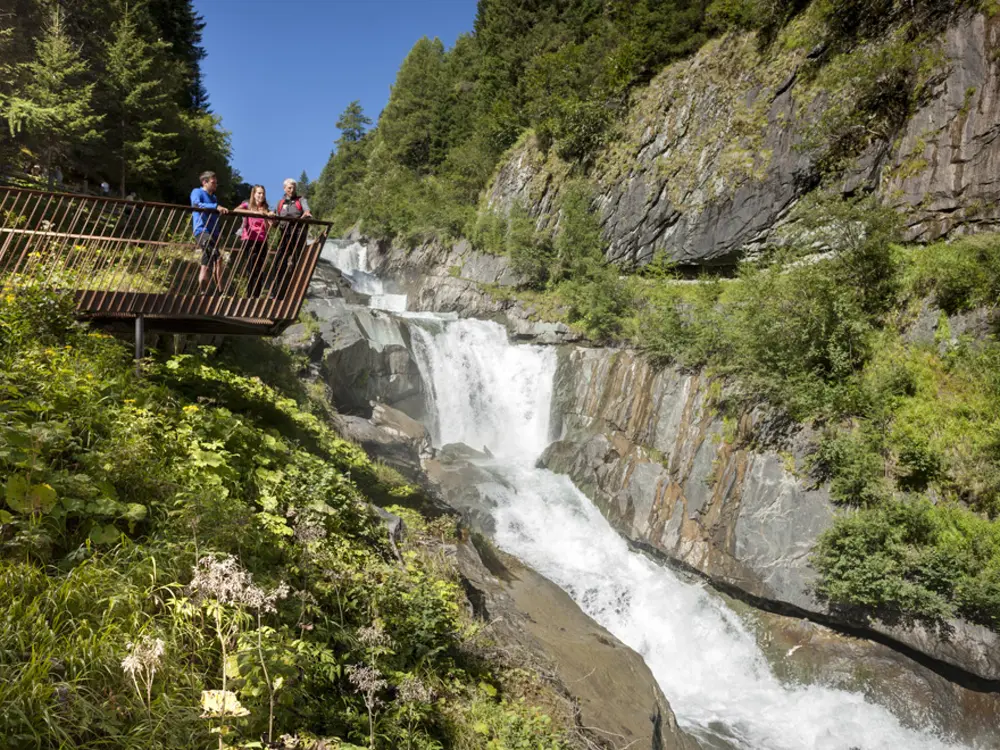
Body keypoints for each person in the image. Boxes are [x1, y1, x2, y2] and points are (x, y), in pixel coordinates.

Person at [190, 170, 230, 293]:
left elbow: (214, 218)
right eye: (213, 182)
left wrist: (217, 234)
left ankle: (206, 291)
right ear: (204, 182)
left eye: (216, 183)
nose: (215, 185)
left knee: (209, 259)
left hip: (213, 232)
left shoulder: (213, 198)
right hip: (201, 230)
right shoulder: (197, 192)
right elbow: (196, 204)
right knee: (215, 256)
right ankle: (219, 290)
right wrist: (215, 207)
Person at [272, 178, 312, 298]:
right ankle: (277, 292)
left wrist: (305, 216)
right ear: (284, 188)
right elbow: (275, 221)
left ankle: (295, 293)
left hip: (298, 234)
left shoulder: (301, 200)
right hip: (284, 234)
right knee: (279, 262)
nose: (292, 189)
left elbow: (307, 211)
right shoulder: (280, 203)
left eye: (294, 187)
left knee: (297, 262)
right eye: (289, 187)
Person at [233, 184, 273, 297]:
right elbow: (236, 210)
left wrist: (269, 217)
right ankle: (250, 295)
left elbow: (269, 226)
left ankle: (256, 296)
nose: (261, 195)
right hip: (249, 239)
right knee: (252, 268)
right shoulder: (247, 204)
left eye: (263, 193)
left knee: (260, 269)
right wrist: (255, 213)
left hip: (262, 240)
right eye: (259, 193)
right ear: (254, 194)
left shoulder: (266, 208)